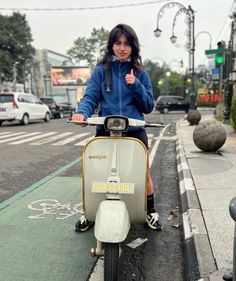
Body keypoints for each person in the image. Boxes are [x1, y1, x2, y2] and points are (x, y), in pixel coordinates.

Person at [72, 23, 162, 232]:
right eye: (118, 43)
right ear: (111, 46)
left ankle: (150, 211)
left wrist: (135, 84)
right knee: (95, 173)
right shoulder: (101, 72)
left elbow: (148, 106)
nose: (122, 48)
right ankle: (90, 212)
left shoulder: (140, 73)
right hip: (105, 131)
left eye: (127, 44)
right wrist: (82, 113)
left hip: (134, 131)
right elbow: (90, 97)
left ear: (133, 47)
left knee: (143, 173)